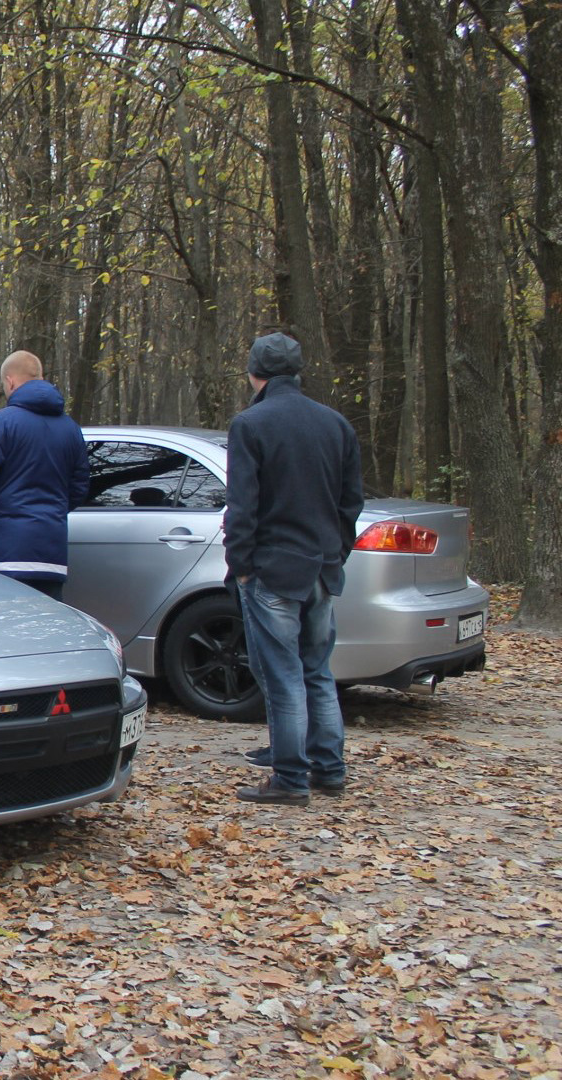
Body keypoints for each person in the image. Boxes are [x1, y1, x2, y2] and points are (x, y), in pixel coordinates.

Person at [226, 331, 365, 807]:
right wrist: (336, 552)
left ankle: (289, 778)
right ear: (297, 372)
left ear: (254, 373)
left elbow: (242, 505)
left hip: (273, 569)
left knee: (284, 676)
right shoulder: (336, 425)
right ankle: (329, 769)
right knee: (317, 672)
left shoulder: (251, 424)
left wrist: (241, 565)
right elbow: (351, 503)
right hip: (322, 567)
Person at [0, 350, 89, 600]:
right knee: (45, 627)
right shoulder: (71, 429)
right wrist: (53, 511)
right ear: (40, 377)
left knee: (3, 627)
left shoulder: (0, 423)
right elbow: (79, 486)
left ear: (10, 381)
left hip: (4, 550)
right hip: (52, 552)